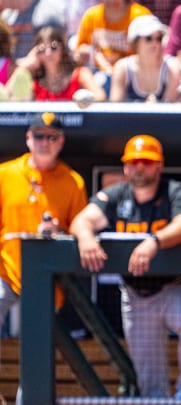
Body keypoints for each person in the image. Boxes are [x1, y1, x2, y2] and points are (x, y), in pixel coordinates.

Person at [69, 134, 181, 400]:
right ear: (125, 167)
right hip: (135, 295)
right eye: (133, 162)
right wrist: (86, 237)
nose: (139, 167)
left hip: (174, 287)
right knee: (150, 382)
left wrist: (154, 242)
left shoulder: (175, 191)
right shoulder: (116, 195)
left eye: (146, 161)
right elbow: (82, 220)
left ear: (159, 165)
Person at [0, 112, 88, 404]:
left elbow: (81, 230)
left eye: (52, 137)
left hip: (46, 280)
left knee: (35, 353)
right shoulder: (5, 174)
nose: (45, 142)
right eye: (39, 135)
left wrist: (59, 231)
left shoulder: (73, 182)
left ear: (61, 142)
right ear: (28, 138)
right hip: (6, 270)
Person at [10, 25, 106, 101]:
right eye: (42, 49)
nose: (48, 53)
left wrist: (85, 100)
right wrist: (26, 65)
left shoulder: (80, 74)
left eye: (53, 47)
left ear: (62, 49)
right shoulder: (34, 83)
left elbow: (100, 97)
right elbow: (9, 100)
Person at [109, 14, 181, 102]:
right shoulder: (122, 68)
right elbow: (114, 107)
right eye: (148, 38)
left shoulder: (172, 67)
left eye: (159, 38)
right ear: (135, 42)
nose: (155, 43)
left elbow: (169, 110)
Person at [74, 0, 152, 75]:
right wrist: (91, 52)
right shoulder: (91, 16)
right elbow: (78, 52)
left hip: (132, 75)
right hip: (99, 74)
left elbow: (151, 54)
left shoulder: (141, 16)